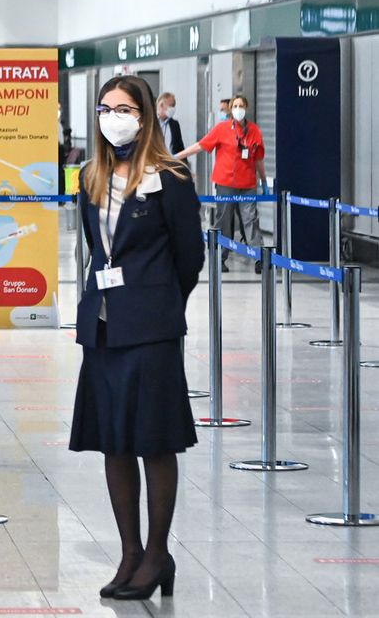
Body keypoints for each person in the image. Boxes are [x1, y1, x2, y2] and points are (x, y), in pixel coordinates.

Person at [71, 74, 202, 602]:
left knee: (153, 439)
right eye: (105, 109)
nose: (113, 117)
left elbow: (189, 259)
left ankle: (157, 553)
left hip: (151, 327)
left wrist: (158, 302)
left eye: (123, 108)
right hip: (104, 325)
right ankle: (128, 552)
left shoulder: (170, 177)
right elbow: (96, 249)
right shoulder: (90, 175)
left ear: (145, 116)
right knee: (115, 441)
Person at [173, 94, 267, 270]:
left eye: (241, 106)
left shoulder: (254, 131)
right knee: (223, 220)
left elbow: (258, 159)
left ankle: (260, 257)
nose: (238, 109)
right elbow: (201, 145)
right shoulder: (222, 129)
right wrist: (177, 156)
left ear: (246, 108)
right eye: (235, 106)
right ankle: (220, 258)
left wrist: (263, 181)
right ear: (231, 110)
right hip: (225, 183)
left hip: (247, 184)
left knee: (250, 219)